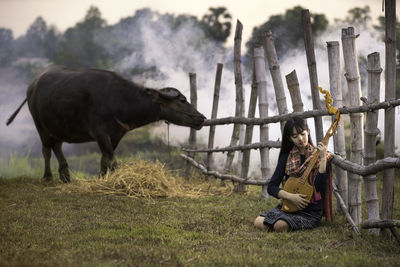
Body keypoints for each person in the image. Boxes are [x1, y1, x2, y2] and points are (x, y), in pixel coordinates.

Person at [254, 116, 333, 232]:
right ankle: (281, 221)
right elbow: (271, 187)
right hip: (289, 207)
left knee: (279, 226)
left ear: (308, 131)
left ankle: (280, 223)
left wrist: (322, 159)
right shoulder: (287, 157)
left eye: (303, 134)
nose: (300, 139)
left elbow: (319, 187)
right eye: (295, 136)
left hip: (310, 212)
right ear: (290, 138)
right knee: (258, 222)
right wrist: (291, 197)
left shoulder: (319, 156)